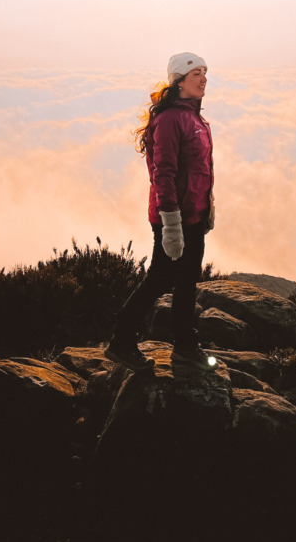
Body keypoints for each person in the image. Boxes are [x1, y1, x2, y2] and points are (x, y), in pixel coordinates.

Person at [105, 52, 218, 373]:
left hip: (193, 216)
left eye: (205, 73)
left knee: (186, 282)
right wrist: (171, 226)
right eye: (197, 73)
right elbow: (163, 174)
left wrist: (207, 209)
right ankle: (122, 341)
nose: (204, 78)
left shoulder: (195, 118)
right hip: (174, 218)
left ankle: (184, 346)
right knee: (160, 279)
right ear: (179, 80)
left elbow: (200, 170)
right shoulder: (171, 119)